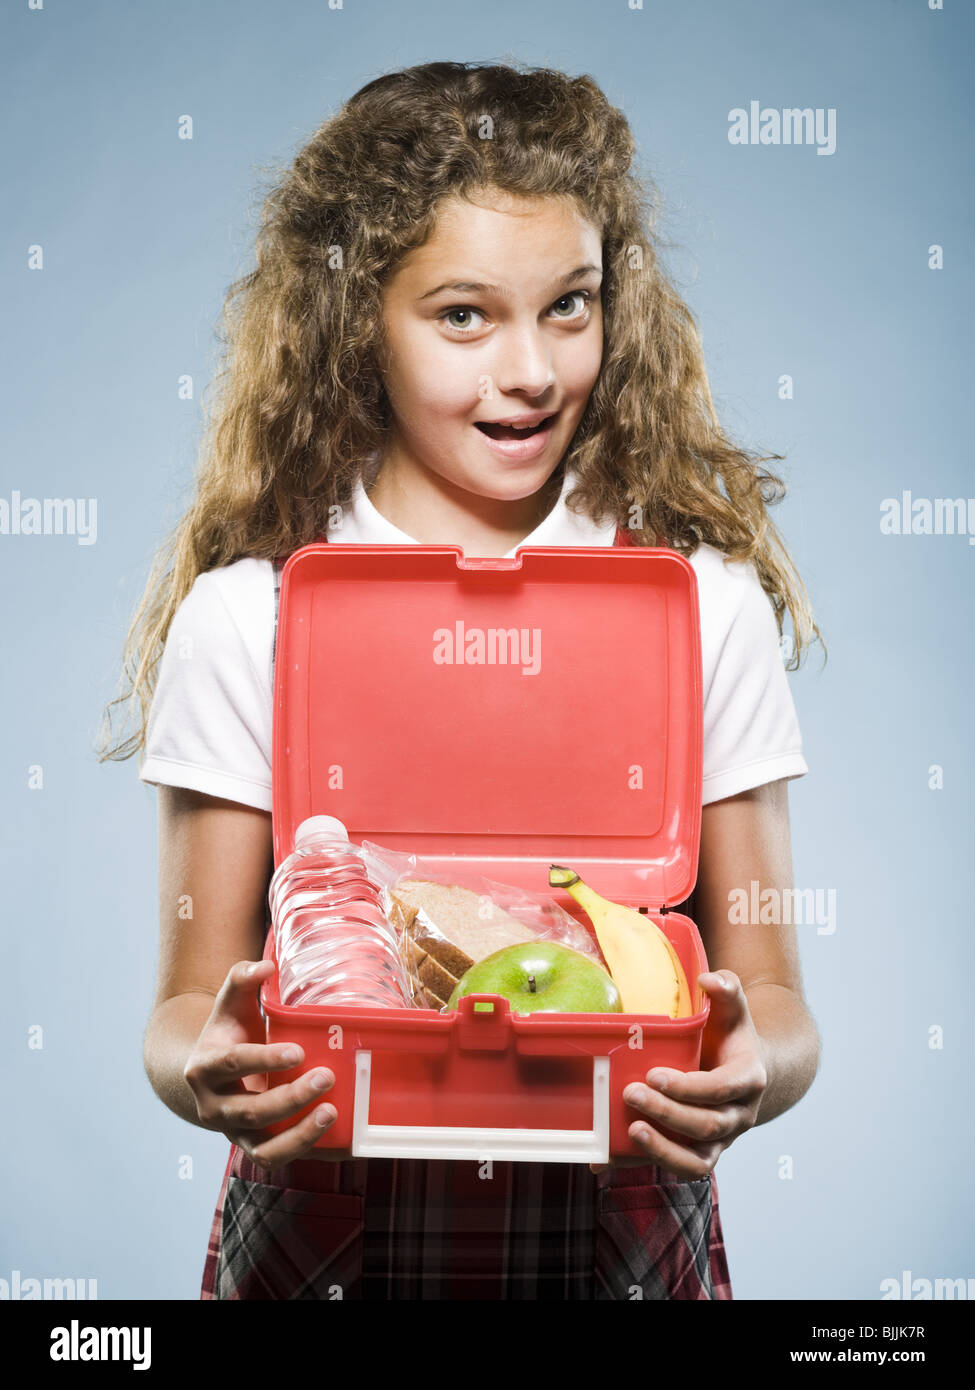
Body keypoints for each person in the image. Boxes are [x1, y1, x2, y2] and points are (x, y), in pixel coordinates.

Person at [96, 60, 823, 1300]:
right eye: (464, 316)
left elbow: (778, 1007)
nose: (532, 371)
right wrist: (203, 1070)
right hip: (328, 1224)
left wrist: (755, 1075)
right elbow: (180, 1014)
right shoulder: (250, 618)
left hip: (620, 1221)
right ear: (357, 320)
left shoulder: (700, 604)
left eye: (572, 306)